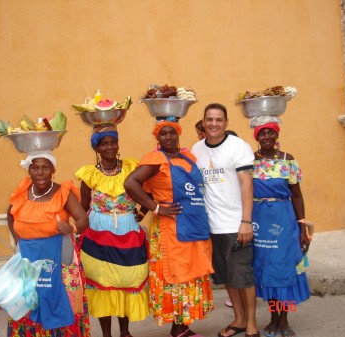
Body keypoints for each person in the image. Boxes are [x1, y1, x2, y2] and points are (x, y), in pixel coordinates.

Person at [124, 117, 214, 337]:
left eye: (172, 132)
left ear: (178, 134)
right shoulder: (156, 159)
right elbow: (131, 183)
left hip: (194, 225)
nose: (168, 137)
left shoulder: (187, 157)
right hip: (171, 229)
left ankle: (184, 324)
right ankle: (177, 328)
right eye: (163, 134)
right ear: (157, 137)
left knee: (190, 275)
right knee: (176, 275)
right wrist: (156, 209)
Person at [192, 103, 259, 337]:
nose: (213, 124)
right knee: (226, 277)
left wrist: (246, 221)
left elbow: (246, 184)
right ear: (203, 122)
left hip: (236, 224)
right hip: (211, 226)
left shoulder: (238, 146)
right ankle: (238, 319)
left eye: (219, 120)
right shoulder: (197, 149)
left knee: (243, 275)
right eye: (209, 119)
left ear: (226, 123)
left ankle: (251, 323)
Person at [75, 125, 149, 337]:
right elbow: (82, 207)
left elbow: (149, 193)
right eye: (103, 143)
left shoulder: (131, 168)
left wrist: (142, 213)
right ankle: (106, 334)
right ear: (96, 148)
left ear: (118, 144)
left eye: (113, 142)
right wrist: (79, 232)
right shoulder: (89, 175)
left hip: (128, 230)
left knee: (126, 279)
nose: (109, 147)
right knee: (102, 283)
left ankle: (125, 332)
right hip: (98, 233)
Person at [7, 150, 91, 337]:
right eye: (35, 168)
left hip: (59, 261)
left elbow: (83, 220)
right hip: (28, 259)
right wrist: (18, 240)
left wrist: (72, 229)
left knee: (60, 302)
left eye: (45, 167)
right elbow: (10, 213)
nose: (40, 172)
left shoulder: (63, 192)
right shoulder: (22, 191)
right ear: (29, 170)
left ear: (53, 169)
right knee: (28, 303)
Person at [249, 116, 311, 337]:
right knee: (266, 270)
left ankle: (284, 320)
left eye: (270, 132)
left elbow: (297, 196)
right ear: (256, 136)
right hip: (259, 222)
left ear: (277, 134)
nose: (267, 136)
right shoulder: (250, 160)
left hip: (284, 220)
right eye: (262, 133)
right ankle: (273, 318)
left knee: (284, 268)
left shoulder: (288, 160)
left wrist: (303, 227)